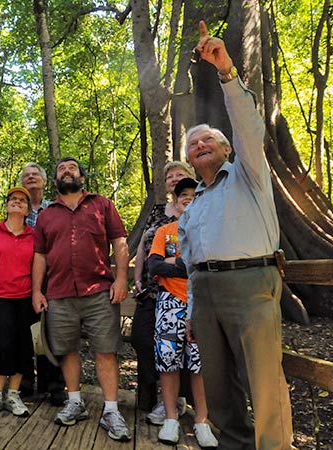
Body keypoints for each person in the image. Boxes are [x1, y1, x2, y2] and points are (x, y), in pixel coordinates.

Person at [179, 22, 295, 450]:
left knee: (264, 384)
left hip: (251, 286)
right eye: (193, 144)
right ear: (190, 161)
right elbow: (190, 262)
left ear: (227, 148)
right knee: (220, 389)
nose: (200, 144)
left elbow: (247, 125)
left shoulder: (249, 174)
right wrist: (192, 309)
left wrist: (225, 69)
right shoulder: (197, 204)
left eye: (208, 139)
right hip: (207, 294)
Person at [32, 157, 131, 442]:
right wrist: (37, 290)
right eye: (61, 169)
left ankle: (111, 410)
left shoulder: (102, 205)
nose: (67, 171)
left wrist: (122, 278)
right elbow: (40, 255)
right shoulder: (47, 214)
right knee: (67, 350)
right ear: (55, 181)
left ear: (82, 177)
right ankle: (74, 401)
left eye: (72, 168)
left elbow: (119, 242)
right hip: (59, 293)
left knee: (105, 350)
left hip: (99, 291)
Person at [147, 177, 217, 447]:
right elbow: (154, 267)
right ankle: (171, 418)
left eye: (194, 194)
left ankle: (202, 421)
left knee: (200, 363)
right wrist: (187, 264)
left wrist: (174, 262)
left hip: (201, 301)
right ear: (175, 203)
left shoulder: (210, 231)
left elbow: (208, 266)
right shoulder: (166, 232)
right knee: (168, 361)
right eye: (182, 195)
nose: (188, 198)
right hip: (169, 302)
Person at [131, 161, 195, 420]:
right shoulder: (158, 211)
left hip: (185, 294)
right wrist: (137, 279)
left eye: (179, 174)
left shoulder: (196, 209)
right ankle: (151, 396)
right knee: (141, 338)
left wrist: (172, 265)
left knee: (184, 344)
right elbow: (144, 248)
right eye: (169, 176)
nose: (173, 178)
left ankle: (178, 399)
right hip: (152, 290)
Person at [0, 187, 35, 417]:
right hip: (0, 298)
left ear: (28, 210)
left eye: (22, 201)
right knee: (2, 345)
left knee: (23, 346)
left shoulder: (34, 235)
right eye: (13, 199)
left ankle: (13, 395)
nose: (17, 202)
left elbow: (39, 267)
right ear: (6, 205)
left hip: (26, 298)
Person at [19, 162, 65, 405]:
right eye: (26, 175)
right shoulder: (17, 209)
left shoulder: (55, 208)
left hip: (52, 279)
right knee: (26, 331)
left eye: (35, 174)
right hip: (21, 279)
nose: (31, 178)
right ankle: (26, 383)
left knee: (51, 329)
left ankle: (53, 384)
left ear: (46, 181)